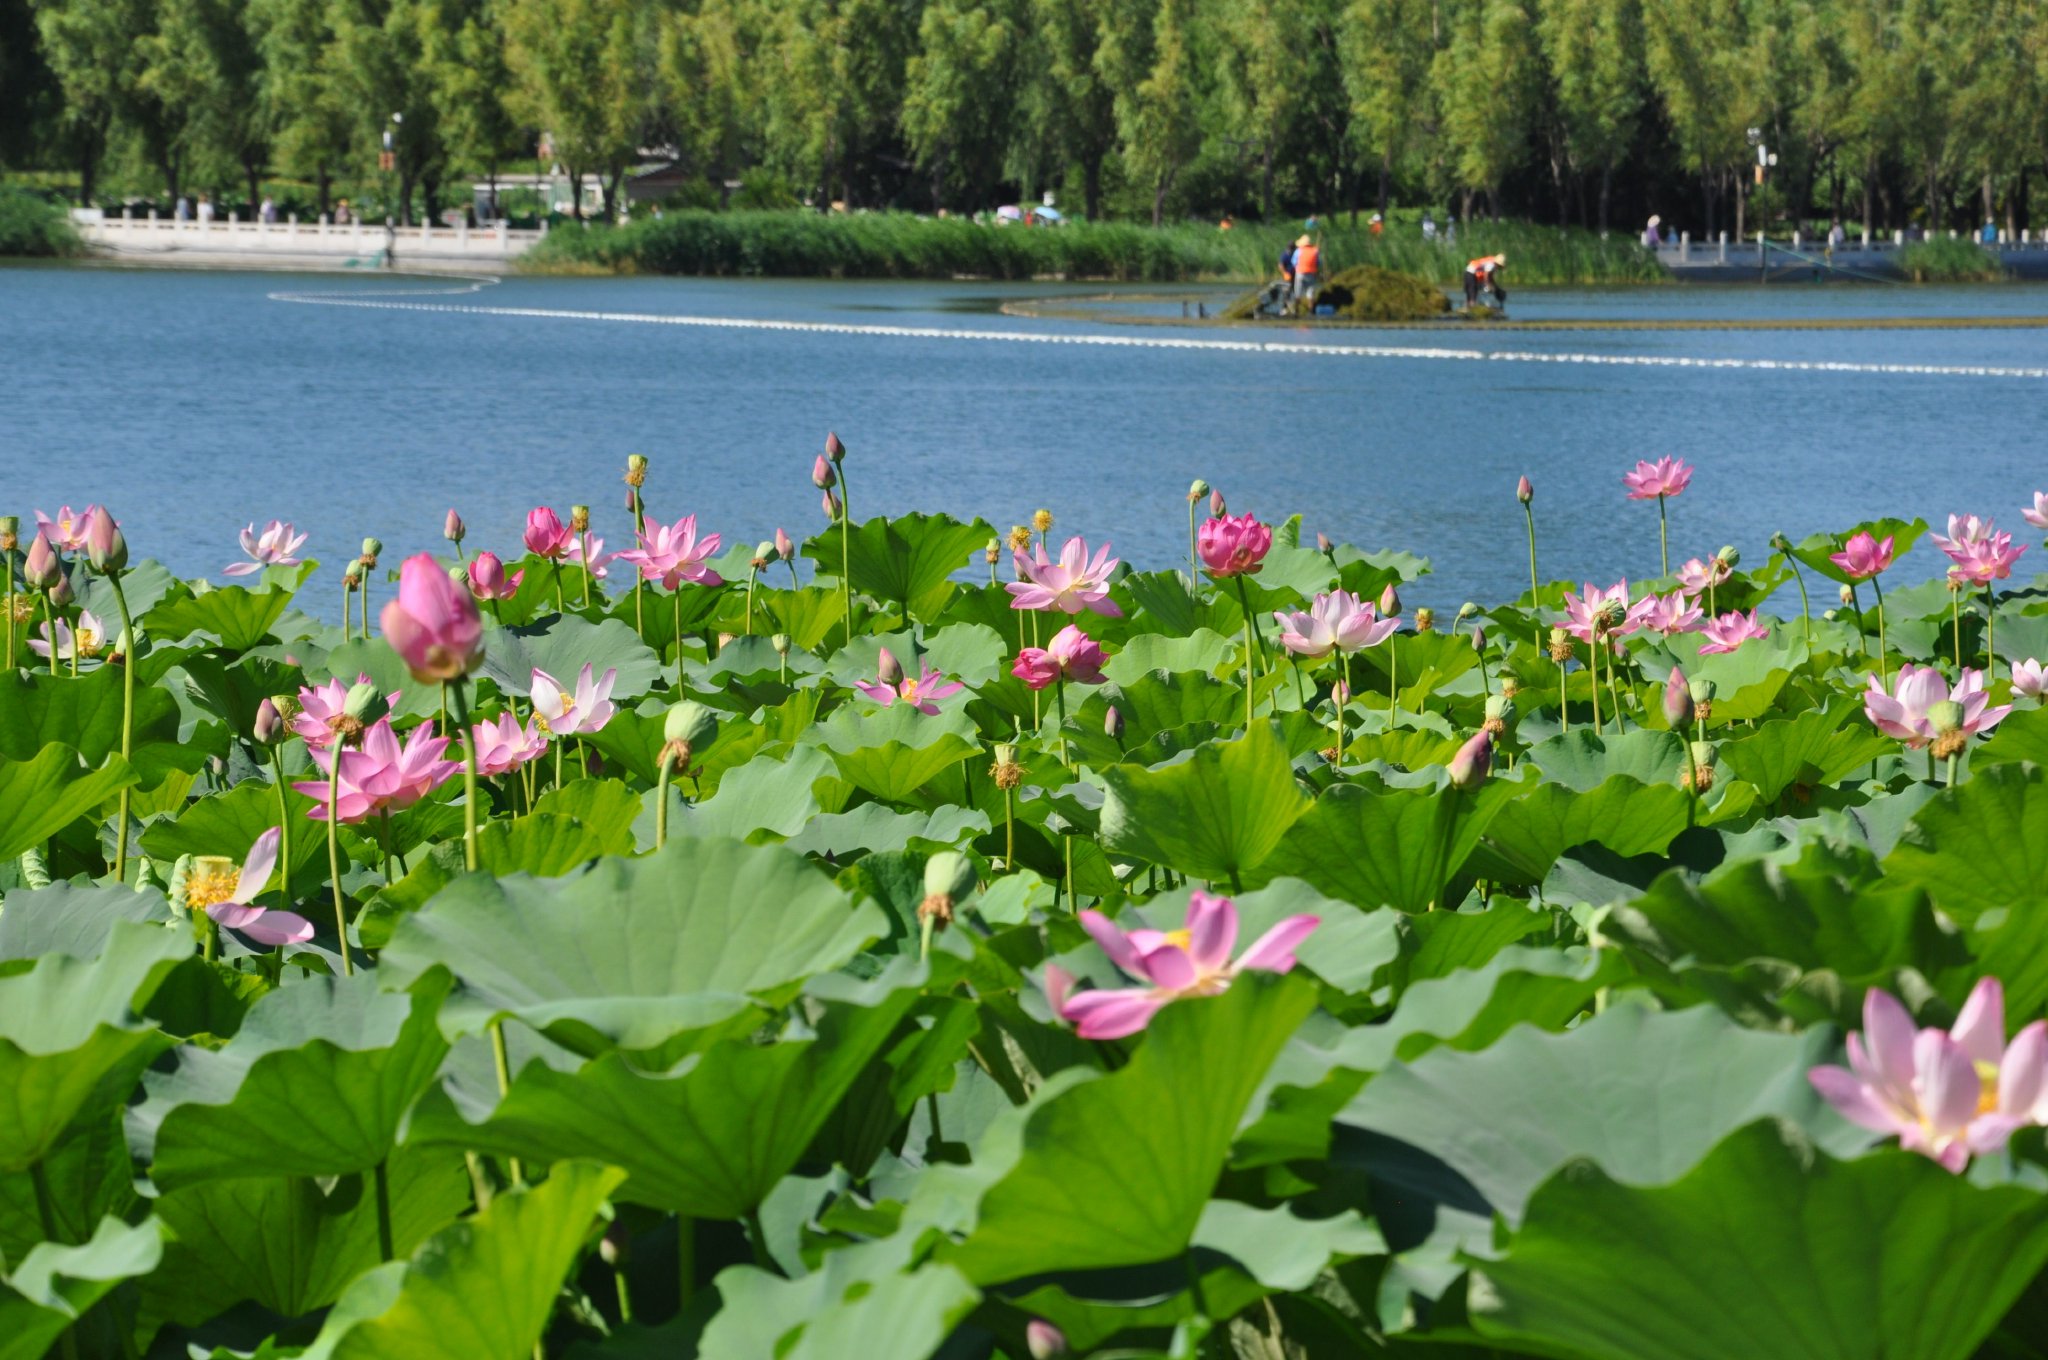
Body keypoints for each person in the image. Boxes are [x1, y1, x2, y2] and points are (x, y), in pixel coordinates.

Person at [1292, 233, 1322, 313]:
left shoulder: (1298, 251)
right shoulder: (1315, 251)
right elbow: (1318, 263)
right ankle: (1311, 311)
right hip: (1311, 274)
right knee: (1310, 293)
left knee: (1297, 292)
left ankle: (1296, 310)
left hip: (1300, 274)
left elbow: (1294, 262)